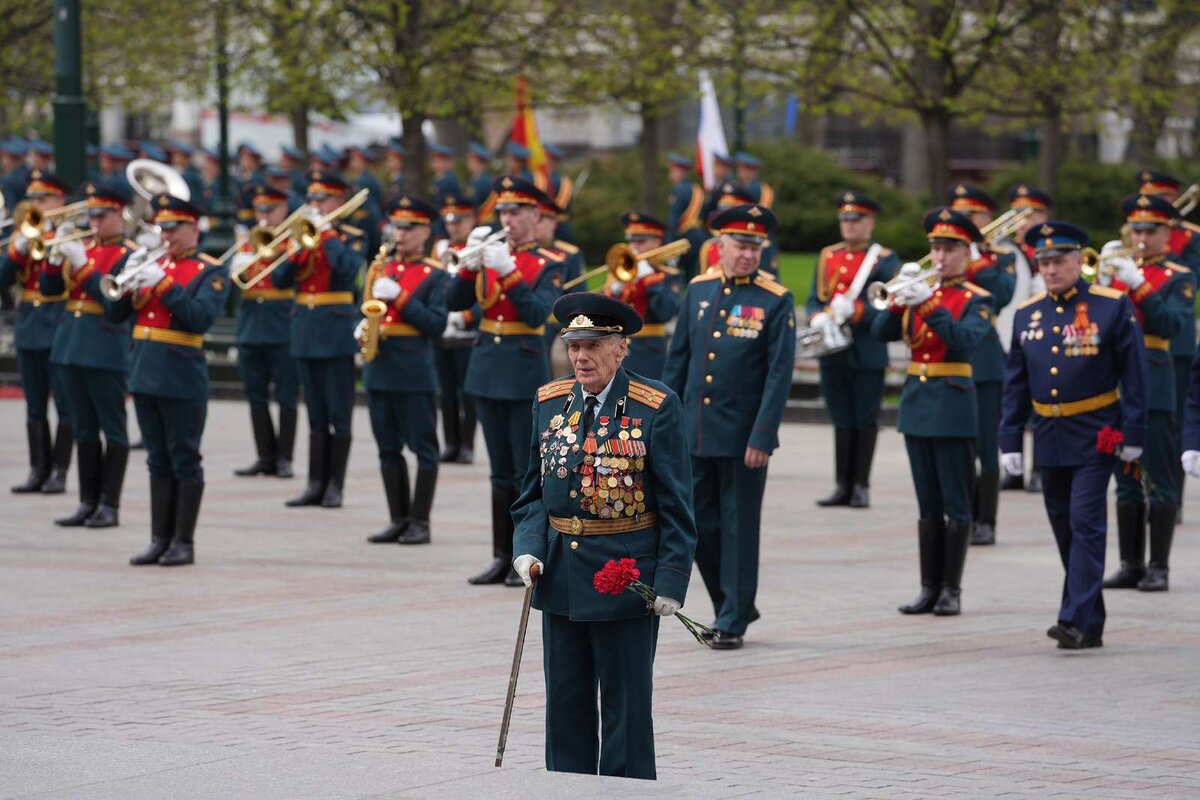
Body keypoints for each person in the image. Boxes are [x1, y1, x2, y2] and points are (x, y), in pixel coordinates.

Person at [511, 292, 697, 781]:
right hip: (561, 577)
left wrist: (671, 582)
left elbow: (678, 505)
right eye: (574, 345)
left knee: (626, 707)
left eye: (593, 345)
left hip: (626, 576)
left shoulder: (655, 405)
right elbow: (532, 493)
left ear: (621, 348)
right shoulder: (550, 401)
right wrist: (526, 548)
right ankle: (565, 789)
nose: (580, 357)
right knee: (565, 706)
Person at [1000, 221, 1147, 649]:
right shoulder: (1027, 314)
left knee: (1086, 523)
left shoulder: (1111, 306)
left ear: (1079, 261)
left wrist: (1134, 433)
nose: (1050, 269)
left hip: (1096, 431)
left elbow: (1135, 376)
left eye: (1058, 261)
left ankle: (1074, 619)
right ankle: (1091, 618)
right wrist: (1010, 440)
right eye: (1043, 262)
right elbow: (1016, 383)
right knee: (1064, 528)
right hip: (1048, 432)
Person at [664, 203, 795, 649]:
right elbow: (677, 363)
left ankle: (733, 617)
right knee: (698, 525)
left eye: (755, 247)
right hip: (696, 431)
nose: (748, 254)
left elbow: (779, 375)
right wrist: (665, 424)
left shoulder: (775, 299)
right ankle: (732, 601)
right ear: (718, 246)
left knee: (739, 528)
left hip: (743, 438)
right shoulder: (698, 291)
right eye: (740, 245)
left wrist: (763, 436)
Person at [872, 208, 994, 617]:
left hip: (954, 403)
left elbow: (964, 341)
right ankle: (928, 587)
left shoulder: (977, 299)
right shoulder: (917, 290)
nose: (940, 257)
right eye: (936, 248)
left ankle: (951, 589)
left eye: (949, 249)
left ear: (967, 252)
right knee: (927, 505)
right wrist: (896, 301)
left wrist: (928, 305)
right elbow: (878, 333)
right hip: (917, 404)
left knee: (956, 503)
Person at [448, 175, 565, 586]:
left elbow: (538, 315)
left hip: (522, 371)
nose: (507, 219)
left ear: (536, 216)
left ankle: (525, 555)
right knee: (499, 473)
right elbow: (453, 303)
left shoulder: (549, 263)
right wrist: (468, 267)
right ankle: (500, 556)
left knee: (524, 472)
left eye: (515, 212)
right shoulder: (489, 253)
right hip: (486, 369)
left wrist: (509, 272)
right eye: (503, 211)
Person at [105, 195, 230, 566]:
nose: (167, 235)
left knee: (184, 458)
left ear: (194, 228)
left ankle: (184, 542)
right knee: (157, 460)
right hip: (144, 372)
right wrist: (131, 271)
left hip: (181, 375)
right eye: (164, 228)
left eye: (174, 228)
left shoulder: (211, 271)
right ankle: (159, 538)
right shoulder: (151, 263)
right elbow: (115, 314)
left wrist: (164, 285)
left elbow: (199, 318)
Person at [1101, 194, 1192, 593]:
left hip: (1154, 381)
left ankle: (1160, 567)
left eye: (1149, 230)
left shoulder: (1178, 276)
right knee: (1125, 478)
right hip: (1116, 384)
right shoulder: (1117, 271)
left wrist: (1138, 286)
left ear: (1166, 232)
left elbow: (1171, 325)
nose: (1140, 237)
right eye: (1135, 229)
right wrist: (1100, 286)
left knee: (1159, 477)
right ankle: (1130, 563)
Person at [42, 181, 134, 528]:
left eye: (101, 215)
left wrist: (82, 266)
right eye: (91, 215)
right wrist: (53, 260)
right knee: (83, 428)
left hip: (105, 346)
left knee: (113, 429)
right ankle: (87, 501)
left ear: (119, 213)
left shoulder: (129, 253)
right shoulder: (83, 246)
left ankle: (109, 504)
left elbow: (113, 302)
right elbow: (50, 290)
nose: (94, 222)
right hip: (71, 346)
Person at [273, 170, 366, 509]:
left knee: (338, 412)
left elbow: (348, 272)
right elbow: (281, 279)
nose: (314, 205)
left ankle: (335, 486)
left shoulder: (349, 236)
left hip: (336, 330)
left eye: (322, 199)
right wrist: (295, 249)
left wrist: (326, 236)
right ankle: (315, 483)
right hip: (305, 330)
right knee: (315, 413)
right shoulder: (300, 236)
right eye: (311, 199)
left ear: (339, 202)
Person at [361, 195, 449, 545]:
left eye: (408, 227)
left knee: (424, 449)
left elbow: (436, 324)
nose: (400, 234)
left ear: (424, 231)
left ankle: (420, 521)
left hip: (413, 371)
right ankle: (397, 518)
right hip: (379, 366)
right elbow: (366, 306)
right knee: (387, 448)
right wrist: (362, 327)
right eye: (396, 226)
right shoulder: (380, 267)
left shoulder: (435, 275)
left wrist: (400, 297)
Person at [808, 191, 900, 508]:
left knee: (864, 418)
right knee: (841, 418)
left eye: (855, 218)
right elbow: (813, 298)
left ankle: (861, 485)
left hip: (867, 349)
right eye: (844, 218)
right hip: (833, 349)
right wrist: (818, 315)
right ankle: (841, 485)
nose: (848, 224)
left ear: (870, 222)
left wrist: (858, 312)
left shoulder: (884, 260)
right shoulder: (827, 256)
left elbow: (891, 304)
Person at [947, 183, 1017, 545]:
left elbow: (1001, 296)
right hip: (948, 356)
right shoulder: (944, 251)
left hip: (985, 360)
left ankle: (986, 520)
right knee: (957, 443)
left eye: (971, 214)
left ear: (988, 218)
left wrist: (972, 258)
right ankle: (959, 513)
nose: (963, 220)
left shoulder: (1000, 257)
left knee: (986, 445)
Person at [0, 170, 75, 494]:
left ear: (59, 200)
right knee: (34, 404)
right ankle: (37, 469)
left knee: (65, 404)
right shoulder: (25, 231)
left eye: (43, 198)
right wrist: (16, 249)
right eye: (32, 199)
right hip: (30, 321)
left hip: (59, 319)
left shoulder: (71, 233)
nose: (36, 204)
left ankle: (59, 470)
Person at [1136, 168, 1200, 523]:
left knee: (1173, 423)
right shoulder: (1132, 242)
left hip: (1175, 343)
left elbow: (1191, 279)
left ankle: (1170, 499)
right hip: (1138, 346)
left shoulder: (1191, 238)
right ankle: (1142, 493)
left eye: (1161, 198)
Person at [227, 184, 300, 479]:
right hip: (251, 324)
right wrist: (234, 269)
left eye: (270, 209)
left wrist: (269, 258)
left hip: (282, 323)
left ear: (284, 209)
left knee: (286, 395)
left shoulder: (292, 241)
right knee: (255, 395)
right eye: (260, 210)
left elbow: (286, 281)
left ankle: (285, 457)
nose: (265, 216)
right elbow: (232, 288)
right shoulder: (246, 241)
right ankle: (264, 455)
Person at [1001, 183, 1055, 493]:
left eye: (1030, 214)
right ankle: (1013, 464)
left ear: (1043, 216)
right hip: (1014, 332)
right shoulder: (1007, 251)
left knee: (1041, 402)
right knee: (1013, 402)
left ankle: (1039, 468)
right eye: (1018, 213)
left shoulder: (1050, 247)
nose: (1023, 220)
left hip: (1046, 334)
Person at [601, 211, 681, 380]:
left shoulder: (667, 275)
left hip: (649, 353)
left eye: (641, 241)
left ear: (657, 241)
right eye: (631, 241)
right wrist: (615, 290)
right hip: (616, 349)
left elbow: (666, 312)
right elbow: (605, 315)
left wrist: (650, 279)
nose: (634, 247)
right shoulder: (621, 270)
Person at [433, 195, 480, 464]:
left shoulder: (478, 250)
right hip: (443, 331)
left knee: (468, 392)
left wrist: (467, 316)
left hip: (467, 332)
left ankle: (467, 445)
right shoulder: (439, 248)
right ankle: (450, 443)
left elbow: (486, 293)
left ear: (471, 220)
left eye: (459, 220)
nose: (454, 226)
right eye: (450, 221)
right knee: (446, 391)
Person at [665, 153, 705, 280]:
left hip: (683, 239)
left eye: (673, 171)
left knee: (677, 279)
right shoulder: (697, 190)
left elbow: (673, 221)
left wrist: (669, 246)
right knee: (695, 276)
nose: (670, 175)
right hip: (699, 238)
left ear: (681, 172)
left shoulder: (678, 191)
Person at [464, 142, 494, 225]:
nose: (469, 163)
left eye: (472, 160)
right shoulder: (484, 179)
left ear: (481, 163)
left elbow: (472, 205)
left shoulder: (480, 182)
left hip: (481, 223)